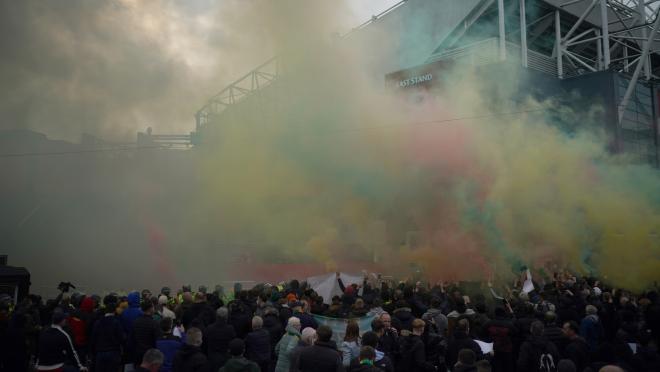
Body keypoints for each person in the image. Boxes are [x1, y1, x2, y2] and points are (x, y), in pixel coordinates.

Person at [90, 295, 124, 372]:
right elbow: (121, 338)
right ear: (114, 310)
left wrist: (92, 353)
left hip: (100, 352)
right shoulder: (116, 322)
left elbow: (93, 339)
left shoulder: (98, 322)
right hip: (113, 353)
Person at [204, 306, 236, 371]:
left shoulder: (209, 328)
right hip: (226, 358)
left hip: (212, 359)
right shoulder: (230, 329)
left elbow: (205, 342)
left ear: (216, 316)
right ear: (226, 317)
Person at [131, 300, 161, 366]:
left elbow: (132, 338)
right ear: (150, 308)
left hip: (138, 353)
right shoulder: (154, 323)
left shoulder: (136, 322)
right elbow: (158, 340)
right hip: (150, 355)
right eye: (153, 307)